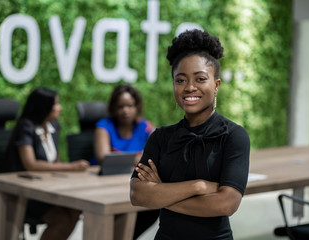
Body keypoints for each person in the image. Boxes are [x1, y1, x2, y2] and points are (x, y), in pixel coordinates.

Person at [130, 29, 250, 240]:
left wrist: (161, 193)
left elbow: (226, 204)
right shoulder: (160, 137)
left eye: (200, 79)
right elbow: (138, 195)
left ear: (216, 85)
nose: (190, 87)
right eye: (180, 80)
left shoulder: (233, 136)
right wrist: (199, 186)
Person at [5, 87, 89, 240]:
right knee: (62, 220)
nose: (59, 107)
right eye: (56, 104)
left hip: (49, 188)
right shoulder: (26, 126)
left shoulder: (54, 126)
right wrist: (71, 167)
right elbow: (31, 164)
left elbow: (54, 161)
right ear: (43, 107)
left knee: (75, 210)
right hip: (27, 193)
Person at [94, 84, 160, 239]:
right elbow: (103, 157)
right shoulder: (104, 126)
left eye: (130, 106)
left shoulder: (145, 126)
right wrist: (140, 157)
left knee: (152, 206)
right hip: (105, 185)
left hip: (132, 184)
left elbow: (159, 152)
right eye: (120, 106)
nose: (125, 110)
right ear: (113, 108)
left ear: (137, 106)